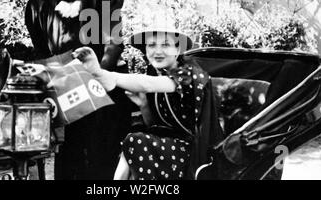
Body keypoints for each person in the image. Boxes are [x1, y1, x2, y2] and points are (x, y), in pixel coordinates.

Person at [25, 0, 133, 179]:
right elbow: (43, 53)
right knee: (69, 157)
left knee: (100, 158)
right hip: (64, 90)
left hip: (103, 88)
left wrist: (94, 82)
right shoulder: (39, 7)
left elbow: (113, 45)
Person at [73, 27, 224, 180]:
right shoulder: (156, 73)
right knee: (132, 144)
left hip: (196, 157)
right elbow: (155, 127)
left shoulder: (189, 72)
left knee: (135, 141)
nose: (158, 51)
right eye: (152, 45)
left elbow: (147, 84)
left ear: (177, 49)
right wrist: (144, 105)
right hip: (173, 150)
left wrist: (104, 74)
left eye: (165, 45)